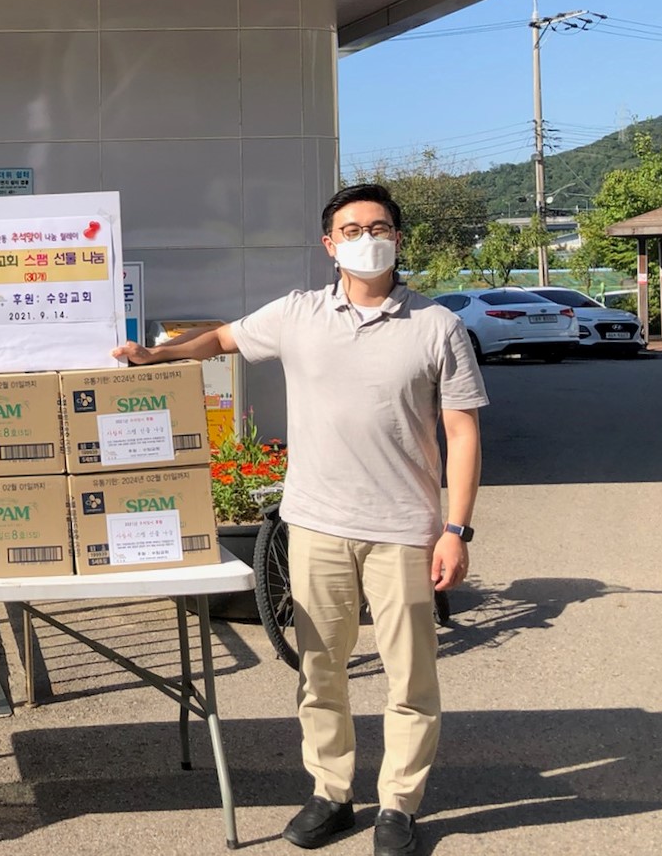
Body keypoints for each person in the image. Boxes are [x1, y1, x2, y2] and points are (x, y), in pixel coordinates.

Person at [115, 183, 486, 856]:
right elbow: (223, 337)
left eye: (377, 226)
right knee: (319, 669)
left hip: (404, 530)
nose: (364, 236)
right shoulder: (297, 313)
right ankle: (331, 792)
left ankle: (398, 804)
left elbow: (460, 433)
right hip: (313, 525)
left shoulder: (437, 327)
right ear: (328, 243)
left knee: (409, 677)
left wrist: (454, 529)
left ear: (398, 238)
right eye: (350, 227)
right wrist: (156, 355)